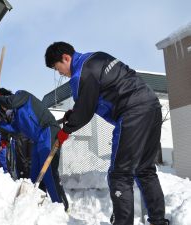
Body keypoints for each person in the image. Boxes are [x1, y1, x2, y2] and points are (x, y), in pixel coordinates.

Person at [45, 42, 169, 225]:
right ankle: (158, 221)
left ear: (66, 57)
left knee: (120, 175)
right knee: (145, 170)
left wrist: (65, 131)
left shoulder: (80, 73)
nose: (60, 73)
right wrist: (74, 115)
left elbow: (84, 112)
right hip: (151, 105)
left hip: (132, 111)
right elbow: (91, 101)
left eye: (57, 68)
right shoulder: (96, 57)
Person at [0, 88, 69, 211]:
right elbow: (15, 130)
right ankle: (40, 207)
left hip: (47, 130)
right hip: (37, 139)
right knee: (34, 175)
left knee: (48, 173)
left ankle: (62, 208)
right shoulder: (15, 113)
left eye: (1, 105)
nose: (2, 109)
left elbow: (9, 102)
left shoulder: (21, 95)